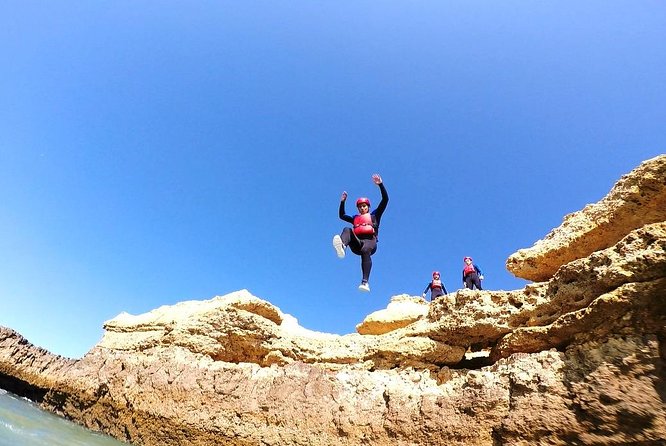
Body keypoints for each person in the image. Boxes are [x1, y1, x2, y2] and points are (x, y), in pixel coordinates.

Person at [332, 173, 388, 292]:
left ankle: (365, 282)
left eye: (364, 206)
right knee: (347, 229)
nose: (362, 208)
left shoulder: (375, 215)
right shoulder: (355, 218)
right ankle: (342, 246)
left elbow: (385, 200)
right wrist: (342, 202)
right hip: (357, 244)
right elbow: (341, 215)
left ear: (368, 207)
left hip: (370, 243)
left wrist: (380, 185)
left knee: (365, 249)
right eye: (360, 207)